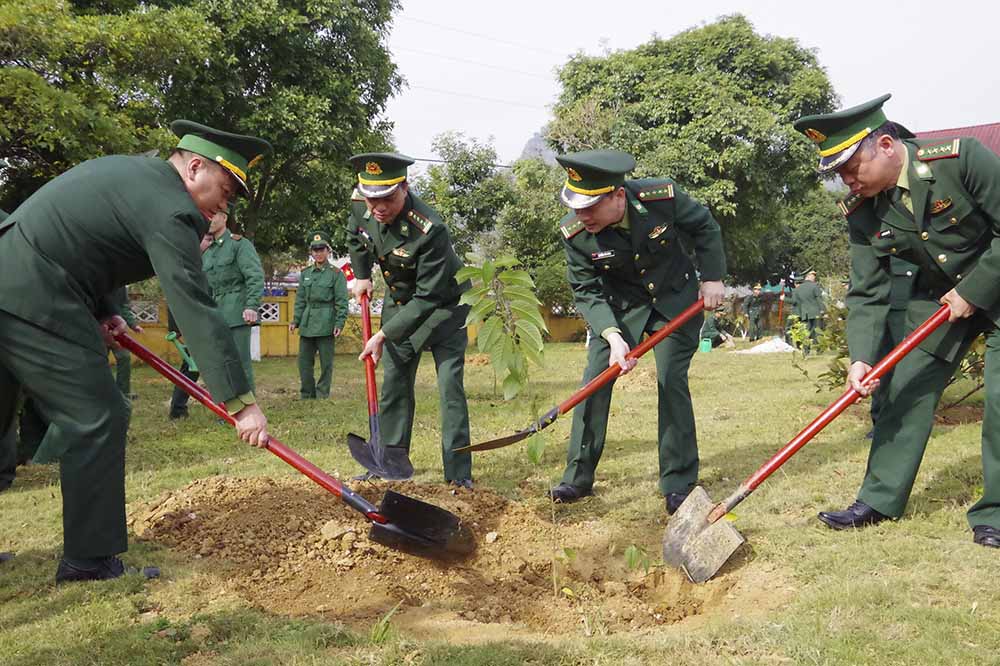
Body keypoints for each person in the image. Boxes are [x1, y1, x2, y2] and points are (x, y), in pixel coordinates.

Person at [0, 120, 272, 582]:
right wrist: (241, 403)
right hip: (33, 293)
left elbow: (82, 242)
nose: (224, 204)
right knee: (98, 414)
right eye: (225, 191)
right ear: (195, 167)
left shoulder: (136, 176)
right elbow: (194, 304)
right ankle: (89, 560)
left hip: (14, 276)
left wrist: (106, 309)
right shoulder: (172, 208)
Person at [794, 93, 1000, 548]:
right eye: (839, 174)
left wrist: (973, 290)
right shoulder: (862, 208)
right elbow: (868, 289)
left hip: (995, 280)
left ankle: (996, 513)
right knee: (903, 389)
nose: (848, 182)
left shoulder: (961, 159)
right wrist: (862, 358)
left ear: (886, 145)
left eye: (851, 167)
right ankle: (879, 499)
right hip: (938, 302)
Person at [547, 150, 726, 513]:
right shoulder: (576, 233)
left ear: (618, 196)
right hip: (619, 311)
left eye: (590, 207)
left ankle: (678, 481)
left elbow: (705, 227)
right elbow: (586, 291)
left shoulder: (661, 198)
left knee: (670, 381)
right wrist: (612, 337)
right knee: (593, 383)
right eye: (576, 207)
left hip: (673, 302)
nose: (581, 216)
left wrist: (712, 278)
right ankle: (577, 478)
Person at [345, 152, 473, 487]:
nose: (378, 208)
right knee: (394, 384)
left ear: (404, 187)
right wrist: (362, 275)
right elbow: (356, 238)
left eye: (386, 199)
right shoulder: (363, 203)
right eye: (372, 200)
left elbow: (429, 297)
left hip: (444, 307)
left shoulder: (430, 229)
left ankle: (459, 476)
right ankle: (388, 461)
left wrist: (383, 334)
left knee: (449, 388)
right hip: (401, 301)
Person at [290, 230, 348, 399]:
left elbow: (342, 302)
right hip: (308, 321)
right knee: (304, 362)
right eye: (315, 250)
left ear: (328, 251)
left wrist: (339, 323)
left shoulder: (336, 274)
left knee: (326, 363)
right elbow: (300, 299)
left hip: (326, 320)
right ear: (311, 252)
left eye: (322, 249)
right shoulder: (306, 274)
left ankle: (322, 393)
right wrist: (296, 320)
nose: (318, 253)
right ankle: (307, 393)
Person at [110, 286, 143, 400]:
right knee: (98, 360)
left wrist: (134, 325)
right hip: (98, 327)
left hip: (118, 329)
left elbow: (123, 307)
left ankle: (123, 393)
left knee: (124, 357)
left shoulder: (120, 286)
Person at [791, 269, 824, 350]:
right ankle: (818, 349)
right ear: (808, 276)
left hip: (804, 313)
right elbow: (819, 299)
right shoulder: (815, 286)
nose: (814, 278)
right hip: (816, 312)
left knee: (806, 332)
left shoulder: (798, 288)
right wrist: (823, 310)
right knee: (818, 331)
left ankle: (806, 349)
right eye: (813, 276)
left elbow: (796, 301)